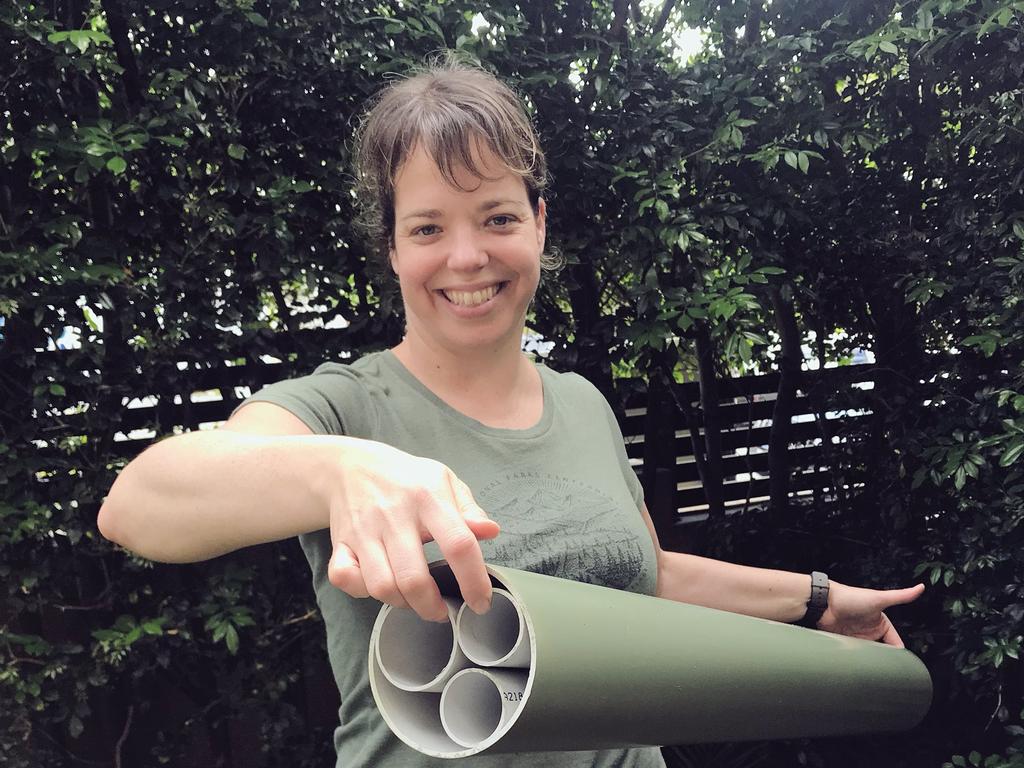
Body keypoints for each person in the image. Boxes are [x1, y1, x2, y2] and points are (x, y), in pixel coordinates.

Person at [98, 57, 924, 768]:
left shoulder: (582, 401)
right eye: (428, 227)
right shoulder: (344, 405)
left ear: (538, 223)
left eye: (497, 217)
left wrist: (819, 599)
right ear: (392, 249)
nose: (467, 257)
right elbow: (138, 506)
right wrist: (338, 466)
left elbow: (650, 575)